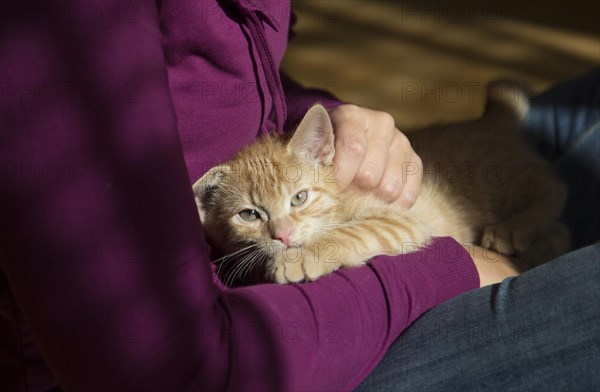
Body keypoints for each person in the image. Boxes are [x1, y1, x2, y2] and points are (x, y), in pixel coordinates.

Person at [0, 1, 595, 391]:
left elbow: (227, 95)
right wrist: (456, 266)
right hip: (291, 347)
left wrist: (337, 124)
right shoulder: (62, 29)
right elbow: (168, 368)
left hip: (342, 259)